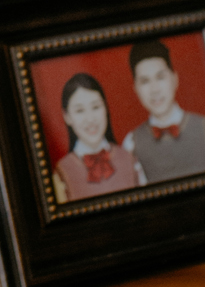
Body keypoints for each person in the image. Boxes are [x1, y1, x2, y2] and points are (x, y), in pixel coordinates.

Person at [122, 39, 205, 183]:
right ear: (135, 89)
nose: (154, 89)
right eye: (145, 81)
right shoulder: (131, 144)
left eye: (160, 77)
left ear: (175, 79)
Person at [52, 73, 141, 202]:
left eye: (95, 107)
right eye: (80, 110)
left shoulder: (130, 159)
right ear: (67, 116)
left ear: (106, 108)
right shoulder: (61, 173)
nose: (90, 119)